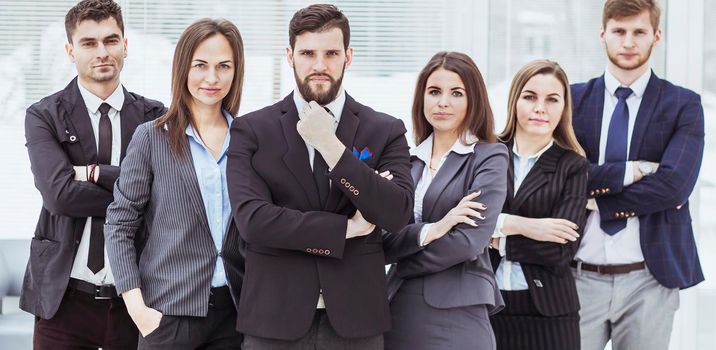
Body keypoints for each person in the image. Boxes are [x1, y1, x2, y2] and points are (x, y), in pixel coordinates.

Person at [227, 3, 414, 349]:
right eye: (308, 53)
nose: (319, 65)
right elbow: (254, 221)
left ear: (348, 56)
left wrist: (331, 146)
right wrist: (347, 229)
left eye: (331, 53)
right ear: (290, 55)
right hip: (273, 319)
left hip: (357, 321)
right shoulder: (251, 130)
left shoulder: (385, 130)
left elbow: (397, 212)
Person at [20, 1, 165, 349]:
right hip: (63, 298)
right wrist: (133, 193)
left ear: (125, 46)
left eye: (111, 40)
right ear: (71, 51)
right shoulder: (44, 115)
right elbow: (60, 196)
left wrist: (93, 173)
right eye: (88, 43)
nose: (102, 52)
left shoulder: (155, 117)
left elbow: (160, 195)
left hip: (135, 299)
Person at [104, 18, 246, 350]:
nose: (212, 78)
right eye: (201, 65)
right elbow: (119, 225)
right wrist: (138, 310)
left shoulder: (250, 140)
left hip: (235, 314)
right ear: (183, 68)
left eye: (224, 66)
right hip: (167, 315)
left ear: (236, 72)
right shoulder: (151, 138)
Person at [570, 0, 705, 349]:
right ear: (603, 34)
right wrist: (638, 171)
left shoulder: (683, 104)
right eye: (619, 31)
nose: (628, 42)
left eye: (639, 32)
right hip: (576, 275)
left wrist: (598, 203)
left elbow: (674, 187)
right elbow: (564, 178)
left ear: (656, 36)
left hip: (650, 280)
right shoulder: (571, 101)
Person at [382, 51, 508, 350]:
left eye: (456, 93)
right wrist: (433, 229)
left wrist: (403, 260)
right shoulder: (407, 161)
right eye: (434, 92)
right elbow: (383, 239)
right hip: (398, 307)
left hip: (457, 310)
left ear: (472, 99)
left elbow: (469, 241)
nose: (443, 102)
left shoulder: (489, 156)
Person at [488, 59, 588, 350]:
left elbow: (560, 250)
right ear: (515, 100)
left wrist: (495, 240)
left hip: (549, 314)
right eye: (530, 97)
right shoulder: (487, 154)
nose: (540, 107)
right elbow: (466, 223)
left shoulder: (573, 166)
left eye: (552, 99)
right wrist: (526, 226)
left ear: (563, 107)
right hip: (486, 307)